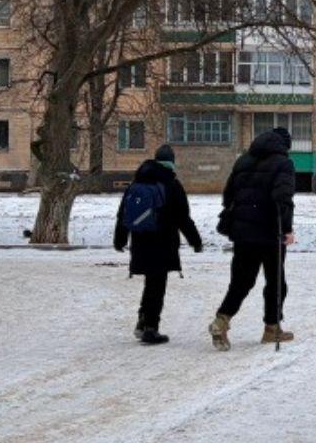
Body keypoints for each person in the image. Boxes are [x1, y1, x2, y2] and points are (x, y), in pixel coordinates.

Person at [208, 126, 297, 351]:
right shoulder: (283, 163)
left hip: (243, 234)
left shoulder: (243, 161)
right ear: (284, 146)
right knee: (275, 282)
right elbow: (283, 198)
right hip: (270, 233)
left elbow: (228, 196)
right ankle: (272, 328)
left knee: (241, 282)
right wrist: (286, 229)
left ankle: (221, 320)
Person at [113, 143, 203, 345]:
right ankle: (150, 328)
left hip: (140, 241)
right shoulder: (172, 185)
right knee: (157, 285)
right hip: (163, 241)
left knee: (150, 283)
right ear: (172, 162)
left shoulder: (137, 183)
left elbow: (123, 214)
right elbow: (183, 218)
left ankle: (143, 321)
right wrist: (195, 241)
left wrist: (120, 239)